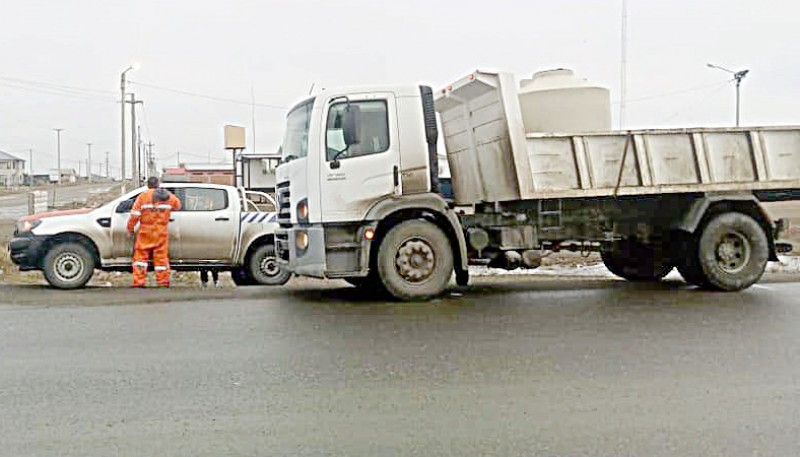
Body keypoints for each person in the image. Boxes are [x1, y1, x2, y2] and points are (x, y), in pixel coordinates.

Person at [126, 177, 182, 287]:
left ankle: (139, 282)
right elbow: (178, 205)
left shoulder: (143, 196)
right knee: (161, 258)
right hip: (161, 231)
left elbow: (135, 215)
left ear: (148, 185)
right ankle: (162, 282)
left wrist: (130, 229)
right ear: (158, 184)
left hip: (146, 231)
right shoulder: (167, 196)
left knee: (140, 257)